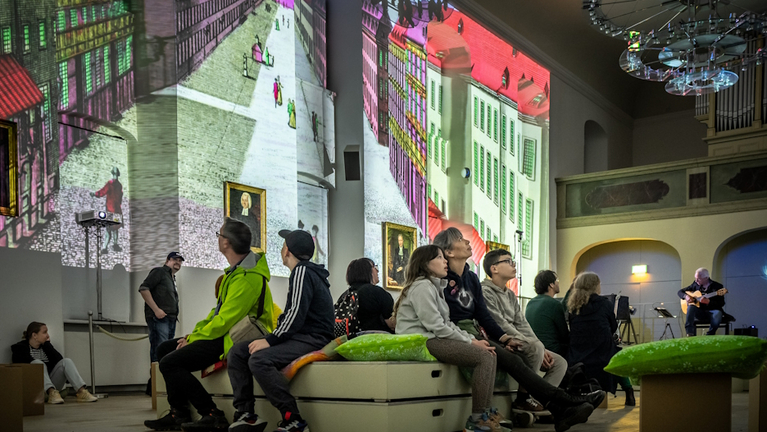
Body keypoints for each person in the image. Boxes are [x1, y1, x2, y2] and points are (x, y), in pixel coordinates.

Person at [433, 228, 602, 432]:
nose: (468, 242)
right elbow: (445, 318)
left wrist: (505, 339)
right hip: (459, 332)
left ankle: (561, 406)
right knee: (512, 359)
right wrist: (491, 339)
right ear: (449, 252)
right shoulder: (440, 279)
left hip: (475, 330)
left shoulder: (470, 278)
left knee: (527, 357)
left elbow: (483, 315)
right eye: (460, 239)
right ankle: (563, 403)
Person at [144, 218, 275, 431]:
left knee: (170, 362)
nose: (218, 238)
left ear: (226, 243)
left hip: (233, 338)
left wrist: (193, 339)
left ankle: (212, 414)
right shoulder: (235, 272)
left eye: (219, 234)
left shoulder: (248, 278)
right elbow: (216, 314)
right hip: (225, 333)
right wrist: (192, 335)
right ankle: (179, 413)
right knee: (164, 348)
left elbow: (224, 321)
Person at [227, 229, 334, 432]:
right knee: (238, 352)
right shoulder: (306, 272)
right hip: (301, 336)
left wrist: (271, 340)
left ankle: (293, 420)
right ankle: (246, 415)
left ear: (287, 251)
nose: (282, 248)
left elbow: (295, 315)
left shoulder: (302, 271)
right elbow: (293, 315)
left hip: (312, 338)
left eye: (284, 245)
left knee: (259, 359)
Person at [394, 244, 508, 432]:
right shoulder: (422, 287)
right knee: (483, 356)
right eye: (439, 257)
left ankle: (486, 414)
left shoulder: (434, 286)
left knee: (488, 352)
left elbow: (446, 323)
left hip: (432, 337)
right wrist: (471, 341)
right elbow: (436, 326)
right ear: (425, 263)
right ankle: (477, 420)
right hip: (421, 340)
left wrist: (471, 339)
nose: (445, 261)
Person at [481, 251, 568, 412]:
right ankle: (523, 398)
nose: (513, 264)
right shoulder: (485, 292)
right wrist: (535, 346)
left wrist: (542, 347)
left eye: (512, 261)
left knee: (560, 363)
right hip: (500, 340)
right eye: (508, 261)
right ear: (494, 268)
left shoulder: (510, 294)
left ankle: (539, 401)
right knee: (535, 348)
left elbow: (522, 323)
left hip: (518, 339)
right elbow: (500, 324)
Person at [567, 272, 634, 406]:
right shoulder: (605, 304)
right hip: (602, 353)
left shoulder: (572, 307)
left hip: (578, 354)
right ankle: (629, 391)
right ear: (595, 286)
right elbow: (614, 327)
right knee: (616, 356)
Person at [11, 322, 98, 404]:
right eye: (44, 332)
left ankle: (81, 392)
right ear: (34, 335)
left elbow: (59, 360)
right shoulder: (20, 348)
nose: (47, 335)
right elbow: (21, 366)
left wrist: (48, 345)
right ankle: (51, 392)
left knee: (66, 361)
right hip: (33, 387)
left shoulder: (45, 347)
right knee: (37, 363)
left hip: (51, 384)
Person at [139, 251, 185, 395]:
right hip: (160, 318)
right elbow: (143, 288)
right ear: (167, 260)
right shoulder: (159, 272)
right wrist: (156, 310)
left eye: (180, 261)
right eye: (175, 260)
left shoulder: (172, 278)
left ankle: (155, 387)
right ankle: (156, 388)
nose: (178, 263)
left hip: (170, 318)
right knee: (160, 351)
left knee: (165, 352)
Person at [337, 258, 395, 335]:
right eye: (374, 267)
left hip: (350, 341)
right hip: (376, 341)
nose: (377, 271)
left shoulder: (345, 295)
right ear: (367, 271)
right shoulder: (377, 292)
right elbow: (392, 324)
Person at [526, 270, 570, 360]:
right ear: (551, 285)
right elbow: (564, 335)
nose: (558, 283)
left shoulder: (531, 303)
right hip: (553, 351)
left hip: (534, 349)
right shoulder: (554, 304)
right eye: (557, 280)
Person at [678, 268, 726, 336]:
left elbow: (721, 303)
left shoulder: (717, 287)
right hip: (699, 312)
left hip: (711, 311)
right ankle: (689, 332)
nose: (696, 280)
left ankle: (710, 334)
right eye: (696, 278)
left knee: (718, 313)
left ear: (706, 278)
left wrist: (709, 302)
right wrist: (686, 296)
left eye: (699, 278)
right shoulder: (695, 284)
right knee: (691, 306)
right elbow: (680, 292)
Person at [91, 166, 123, 253]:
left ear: (112, 174)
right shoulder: (119, 185)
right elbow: (120, 197)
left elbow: (102, 192)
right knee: (115, 228)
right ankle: (115, 245)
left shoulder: (110, 184)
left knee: (108, 230)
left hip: (110, 210)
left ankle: (105, 248)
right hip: (117, 210)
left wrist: (94, 194)